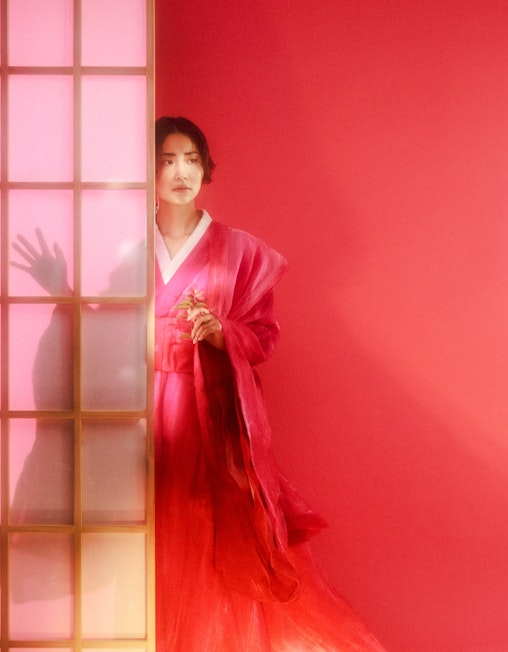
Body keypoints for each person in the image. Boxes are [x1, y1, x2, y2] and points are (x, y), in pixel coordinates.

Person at [152, 116, 385, 650]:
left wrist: (221, 334)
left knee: (210, 531)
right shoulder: (126, 248)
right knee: (146, 528)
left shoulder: (240, 251)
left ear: (206, 168)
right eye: (167, 160)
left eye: (192, 159)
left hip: (206, 413)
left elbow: (262, 335)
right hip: (138, 412)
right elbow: (99, 324)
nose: (181, 172)